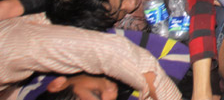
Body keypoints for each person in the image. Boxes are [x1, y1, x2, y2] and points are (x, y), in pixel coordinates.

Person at [0, 14, 181, 100]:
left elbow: (107, 51)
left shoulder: (8, 51)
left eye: (96, 93)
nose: (112, 95)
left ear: (57, 84)